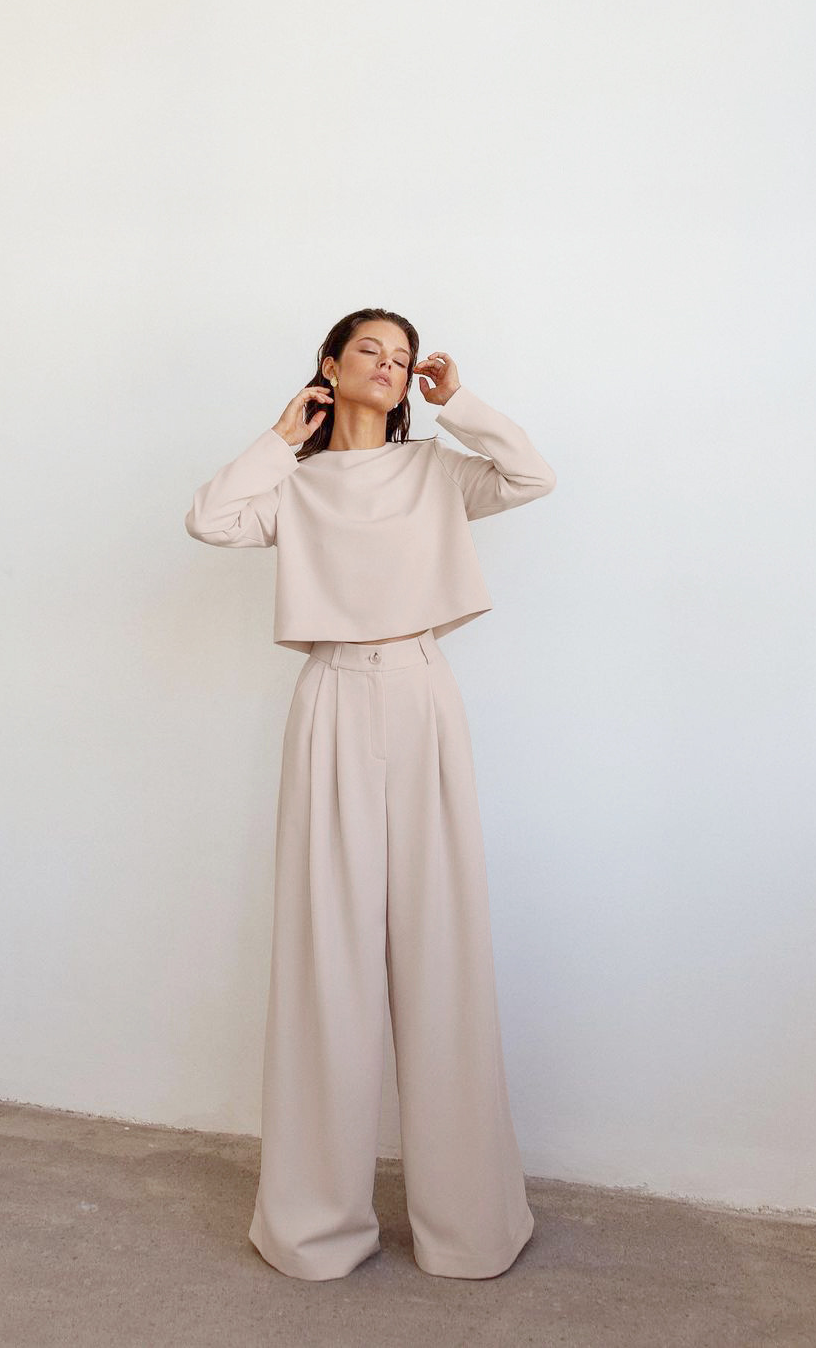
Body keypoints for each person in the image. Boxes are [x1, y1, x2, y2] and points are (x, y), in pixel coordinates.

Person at [184, 307, 556, 1281]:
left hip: (423, 692)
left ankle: (469, 1228)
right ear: (330, 365)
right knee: (327, 954)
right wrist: (281, 436)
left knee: (444, 947)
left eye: (402, 357)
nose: (389, 366)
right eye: (370, 352)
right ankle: (315, 1228)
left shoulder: (436, 470)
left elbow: (531, 474)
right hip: (333, 698)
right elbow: (210, 517)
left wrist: (460, 403)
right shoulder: (296, 486)